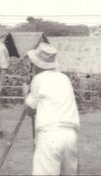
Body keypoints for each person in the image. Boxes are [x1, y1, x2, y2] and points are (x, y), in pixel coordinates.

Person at [24, 42, 80, 175]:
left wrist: (24, 93)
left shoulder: (38, 79)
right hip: (70, 136)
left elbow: (29, 110)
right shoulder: (64, 78)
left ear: (36, 64)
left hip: (50, 136)